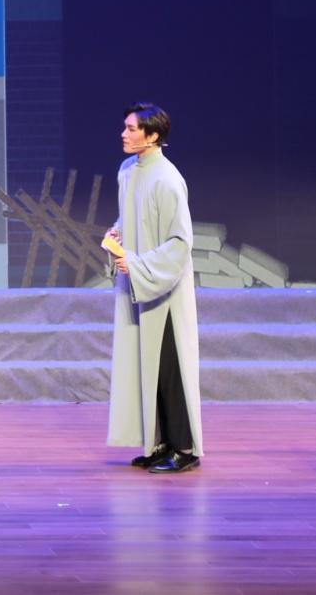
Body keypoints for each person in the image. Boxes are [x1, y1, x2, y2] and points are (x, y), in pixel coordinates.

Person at [105, 103, 204, 473]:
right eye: (126, 127)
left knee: (169, 370)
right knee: (146, 366)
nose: (124, 134)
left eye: (132, 129)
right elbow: (132, 217)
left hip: (162, 290)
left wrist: (139, 264)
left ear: (153, 136)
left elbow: (180, 243)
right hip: (137, 286)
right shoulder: (127, 171)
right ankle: (158, 442)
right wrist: (117, 233)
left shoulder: (167, 178)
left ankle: (184, 448)